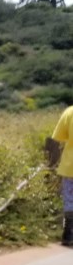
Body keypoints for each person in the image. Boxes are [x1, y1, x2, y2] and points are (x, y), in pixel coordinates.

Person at [53, 103, 73, 247]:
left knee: (70, 200)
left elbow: (58, 137)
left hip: (70, 165)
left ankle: (69, 233)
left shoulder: (69, 112)